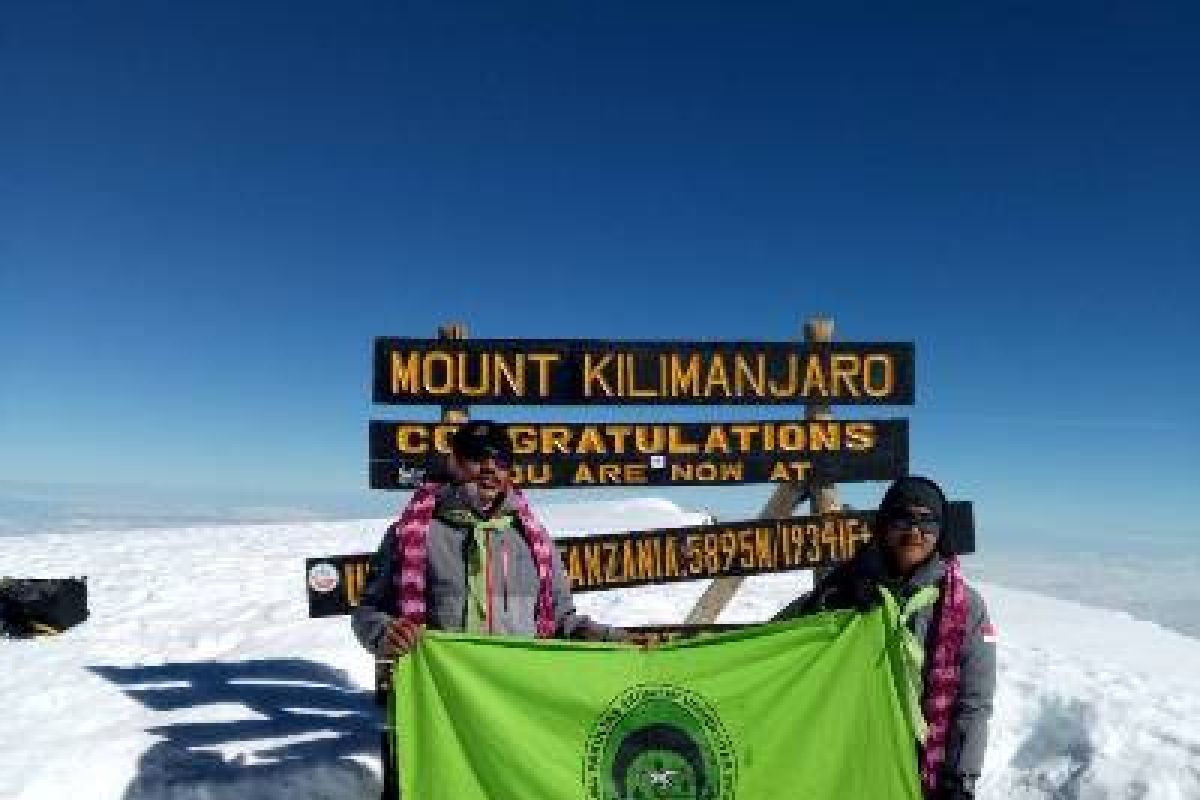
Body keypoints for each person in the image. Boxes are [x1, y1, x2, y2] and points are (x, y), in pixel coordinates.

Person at [775, 476, 996, 800]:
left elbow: (973, 703)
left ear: (942, 530)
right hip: (844, 759)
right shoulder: (846, 585)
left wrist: (958, 781)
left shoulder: (966, 608)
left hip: (922, 771)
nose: (915, 532)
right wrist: (832, 599)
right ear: (884, 523)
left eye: (928, 521)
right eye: (903, 518)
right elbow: (781, 639)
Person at [352, 419, 630, 662]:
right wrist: (385, 633)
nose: (489, 468)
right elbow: (369, 611)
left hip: (514, 697)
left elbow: (560, 620)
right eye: (476, 456)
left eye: (501, 461)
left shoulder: (533, 537)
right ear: (454, 462)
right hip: (441, 699)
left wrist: (614, 640)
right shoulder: (412, 533)